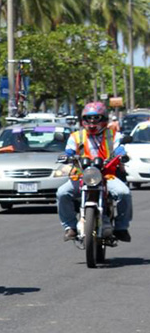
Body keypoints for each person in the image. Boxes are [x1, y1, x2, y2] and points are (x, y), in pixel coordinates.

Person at [56, 102, 133, 242]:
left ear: (103, 119)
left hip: (107, 175)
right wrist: (66, 156)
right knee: (62, 193)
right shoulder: (76, 136)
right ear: (83, 120)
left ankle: (121, 227)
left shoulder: (112, 135)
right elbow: (69, 151)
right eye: (88, 118)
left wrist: (122, 154)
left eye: (96, 118)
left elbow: (119, 148)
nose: (92, 122)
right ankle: (70, 227)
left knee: (124, 193)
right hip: (81, 176)